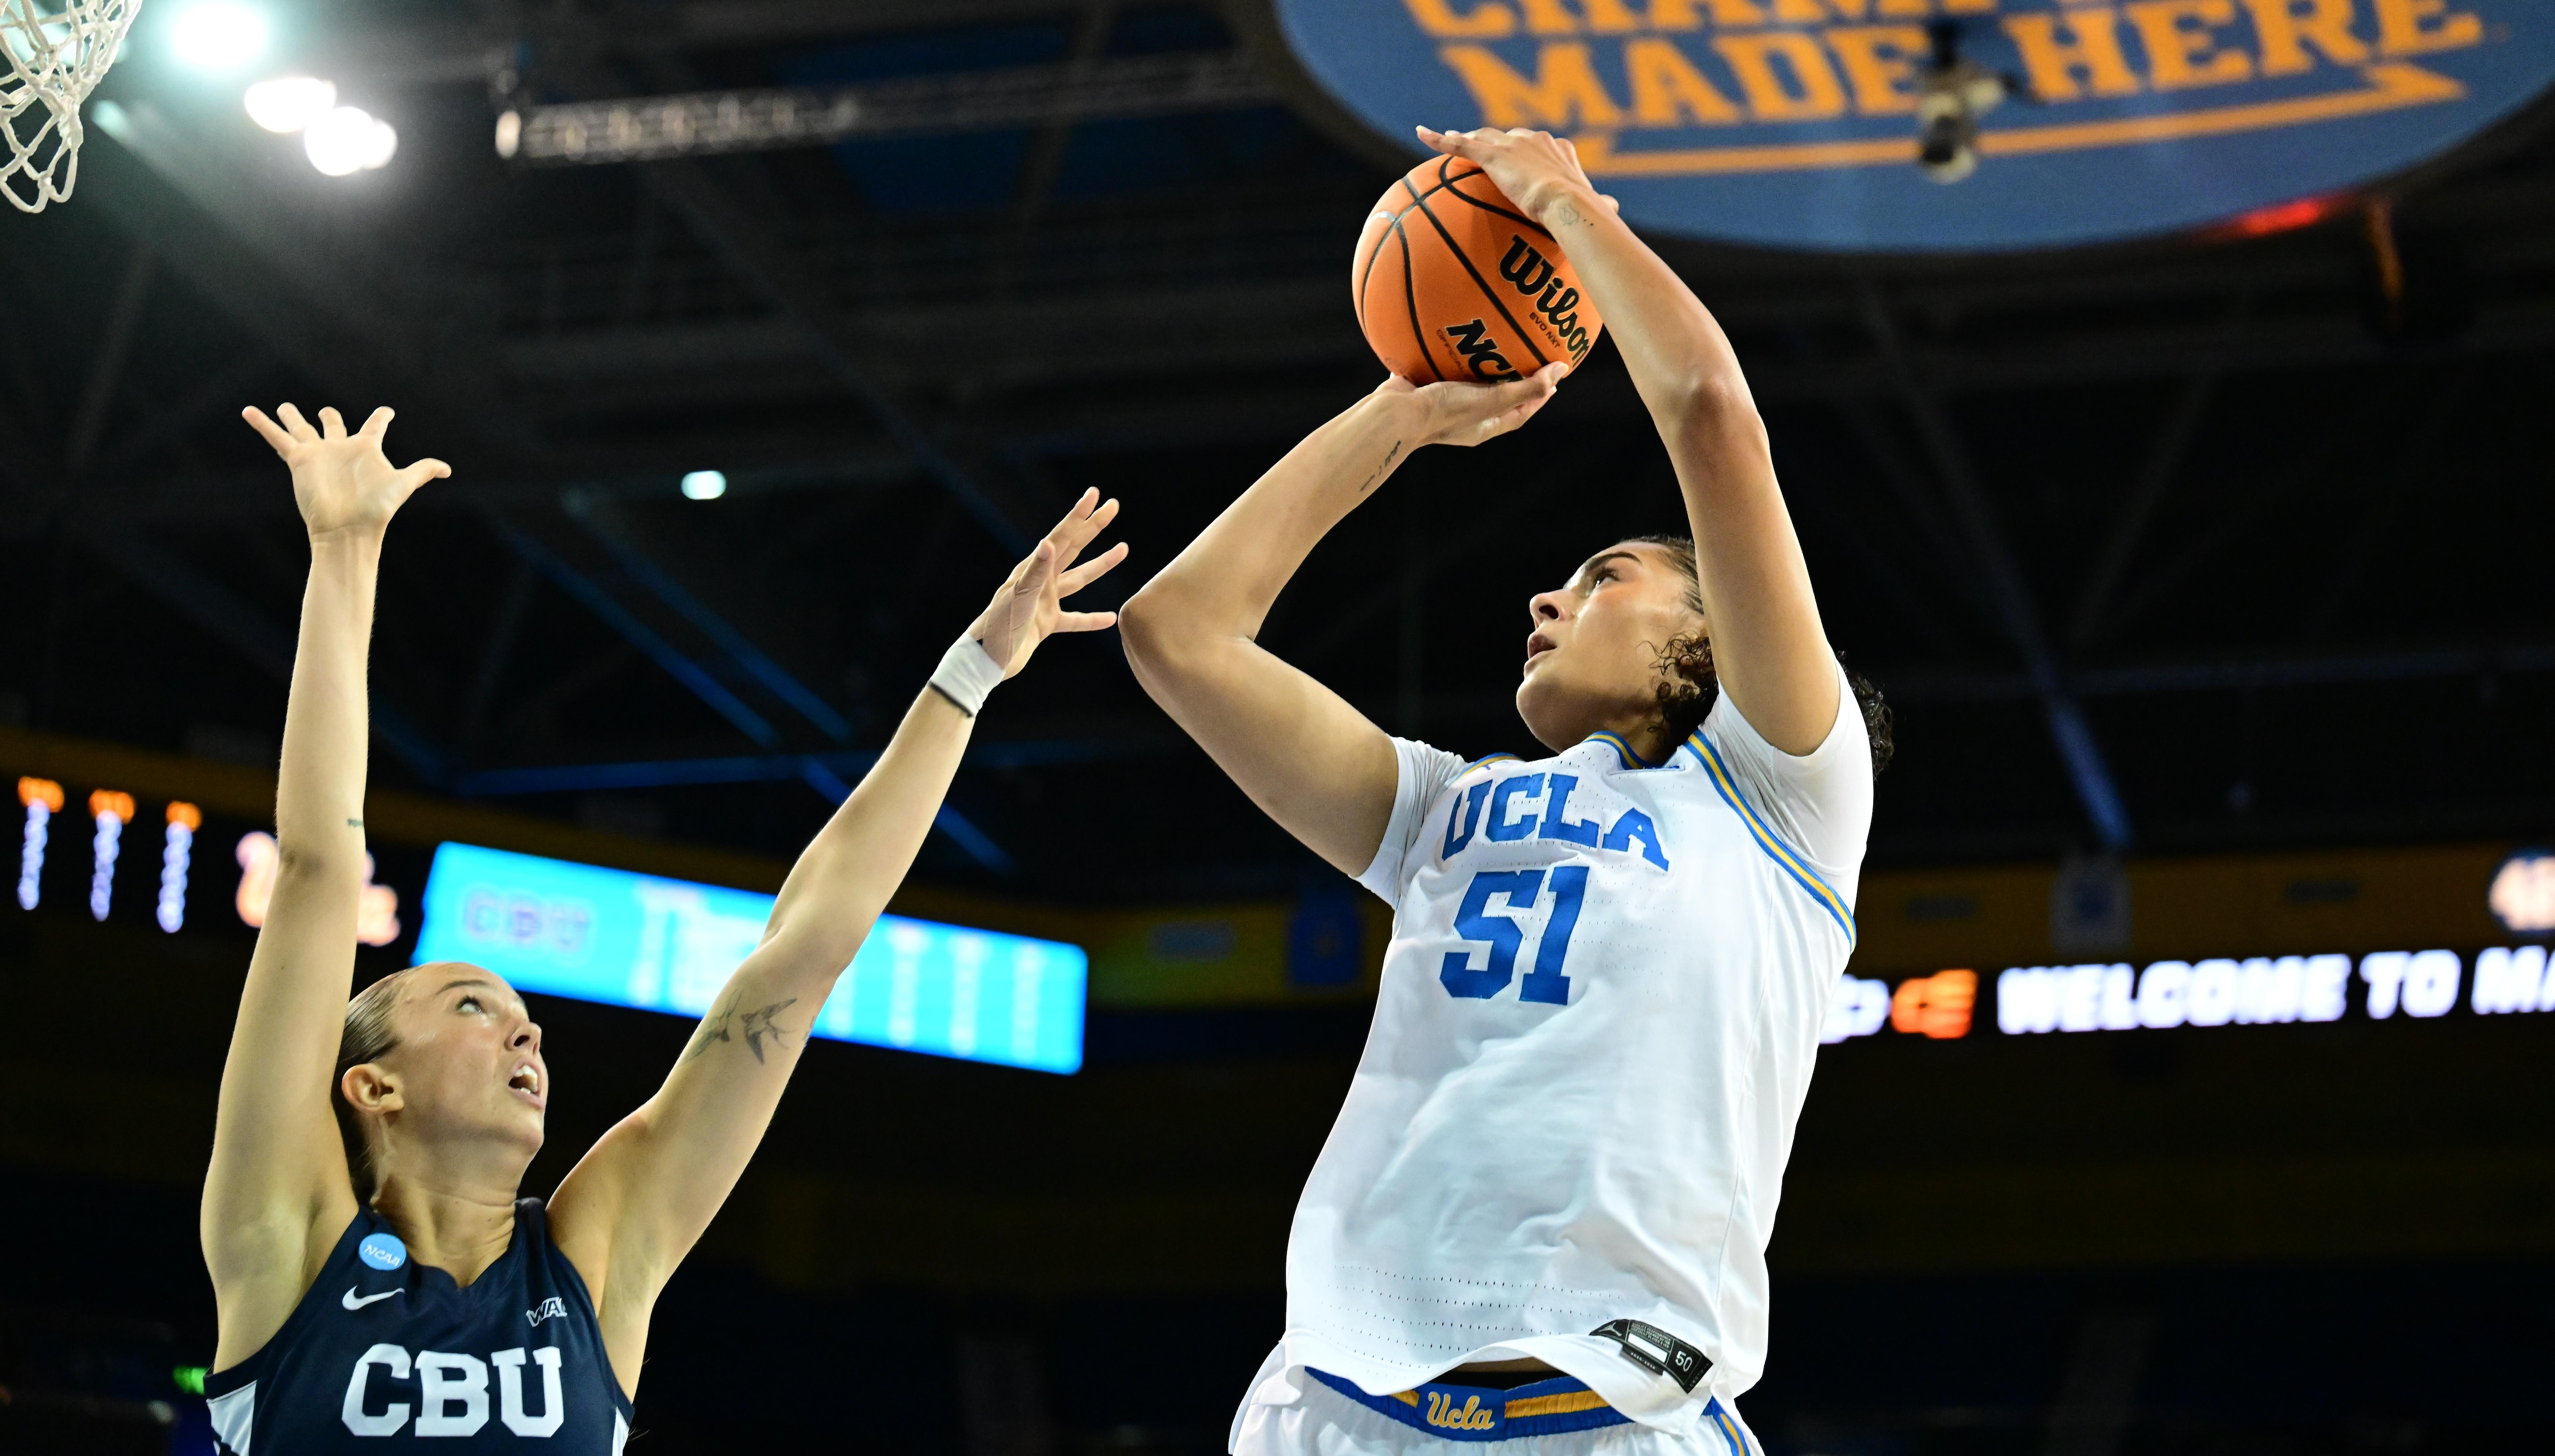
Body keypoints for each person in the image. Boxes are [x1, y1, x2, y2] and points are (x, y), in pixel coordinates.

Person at [1119, 126, 1892, 1456]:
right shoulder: (1439, 812)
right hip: (1335, 1410)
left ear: (1712, 636)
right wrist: (1397, 417)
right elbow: (1175, 632)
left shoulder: (1784, 804)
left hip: (1606, 1415)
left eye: (1606, 576)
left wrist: (1560, 203)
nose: (1549, 595)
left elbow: (1710, 413)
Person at [199, 402, 1125, 1450]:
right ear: (372, 1086)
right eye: (471, 1005)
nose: (527, 1034)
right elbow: (320, 872)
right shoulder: (289, 1236)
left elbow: (801, 955)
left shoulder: (599, 1249)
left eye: (520, 1016)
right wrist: (345, 549)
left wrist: (971, 673)